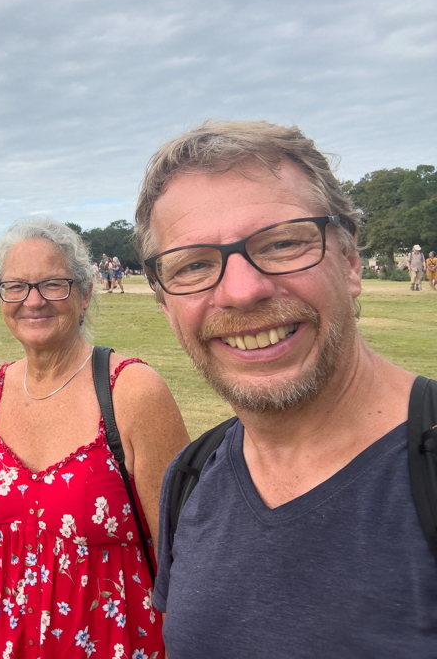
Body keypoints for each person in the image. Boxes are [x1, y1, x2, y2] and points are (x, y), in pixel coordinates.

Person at [133, 120, 437, 655]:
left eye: (281, 244)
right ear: (165, 305)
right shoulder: (191, 480)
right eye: (195, 265)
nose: (243, 291)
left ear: (349, 262)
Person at [0, 219, 188, 658]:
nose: (34, 300)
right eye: (16, 286)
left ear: (84, 295)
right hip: (3, 636)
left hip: (109, 640)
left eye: (53, 285)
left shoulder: (132, 391)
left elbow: (186, 558)